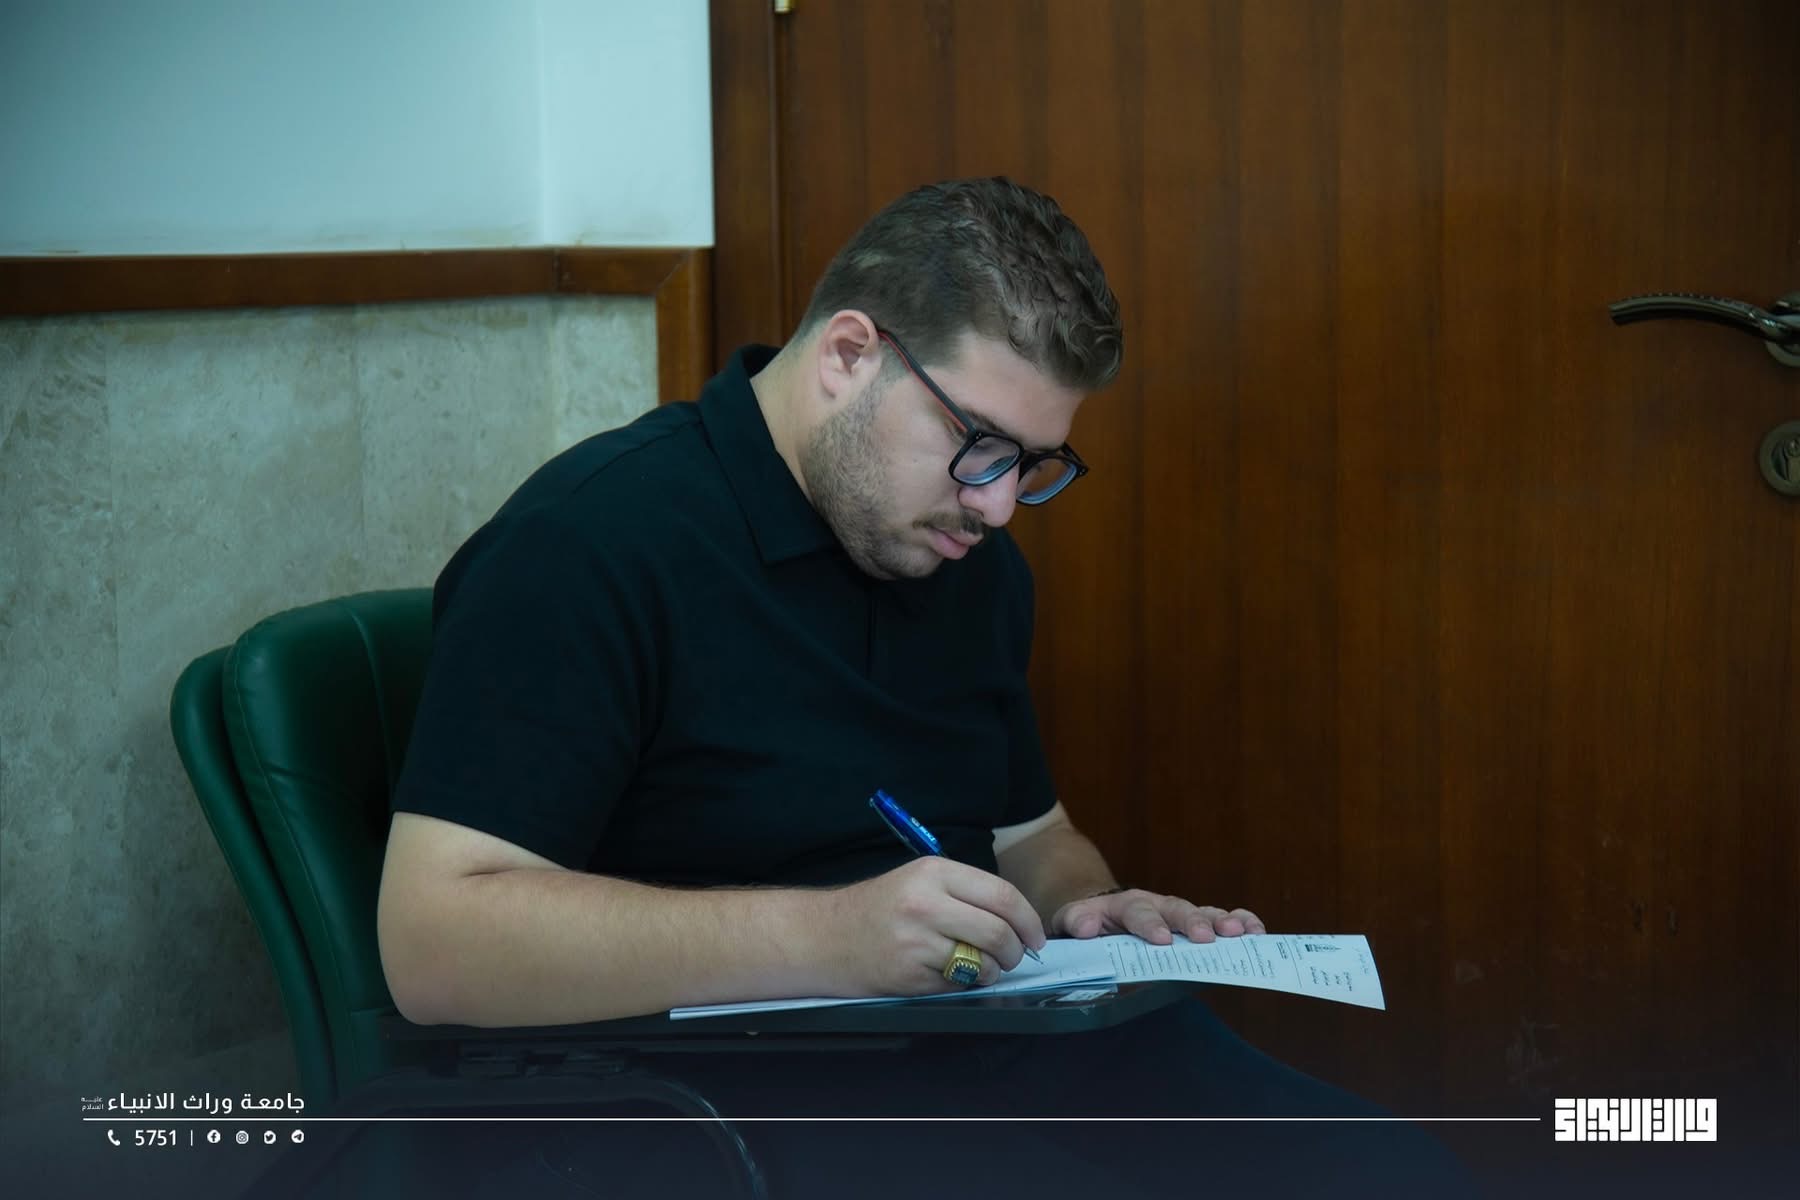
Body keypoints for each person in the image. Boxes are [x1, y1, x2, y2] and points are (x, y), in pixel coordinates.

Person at [376, 178, 1464, 1197]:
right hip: (722, 1091)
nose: (997, 506)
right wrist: (829, 937)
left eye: (1031, 465)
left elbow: (1033, 835)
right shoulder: (589, 544)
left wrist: (1088, 910)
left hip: (987, 1039)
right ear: (851, 355)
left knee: (1397, 1176)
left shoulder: (965, 564)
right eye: (978, 444)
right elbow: (434, 943)